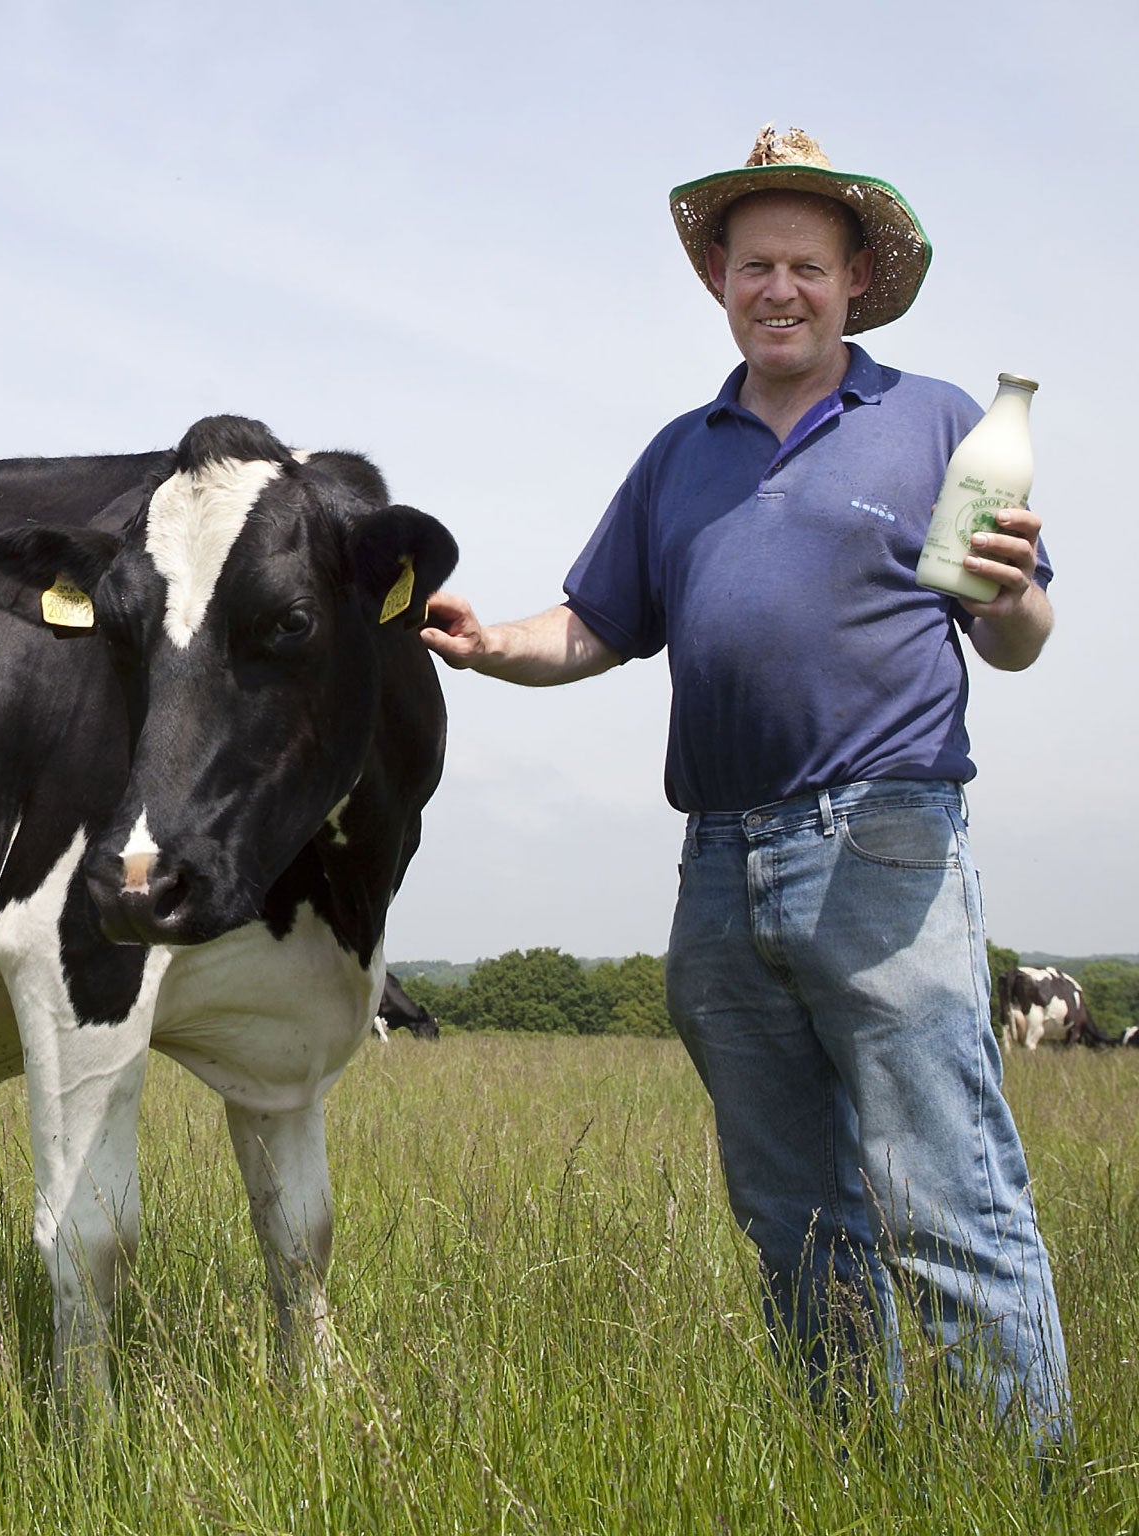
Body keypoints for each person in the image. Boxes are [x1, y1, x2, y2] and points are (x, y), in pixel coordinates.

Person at [422, 124, 1070, 1443]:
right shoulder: (681, 453)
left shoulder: (937, 418)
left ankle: (1024, 1493)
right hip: (719, 864)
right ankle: (851, 1464)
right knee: (791, 1214)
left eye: (809, 267)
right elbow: (596, 627)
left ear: (854, 282)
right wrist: (491, 648)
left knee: (943, 1195)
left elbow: (1015, 636)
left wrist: (1010, 600)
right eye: (756, 264)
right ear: (719, 278)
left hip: (884, 835)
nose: (781, 289)